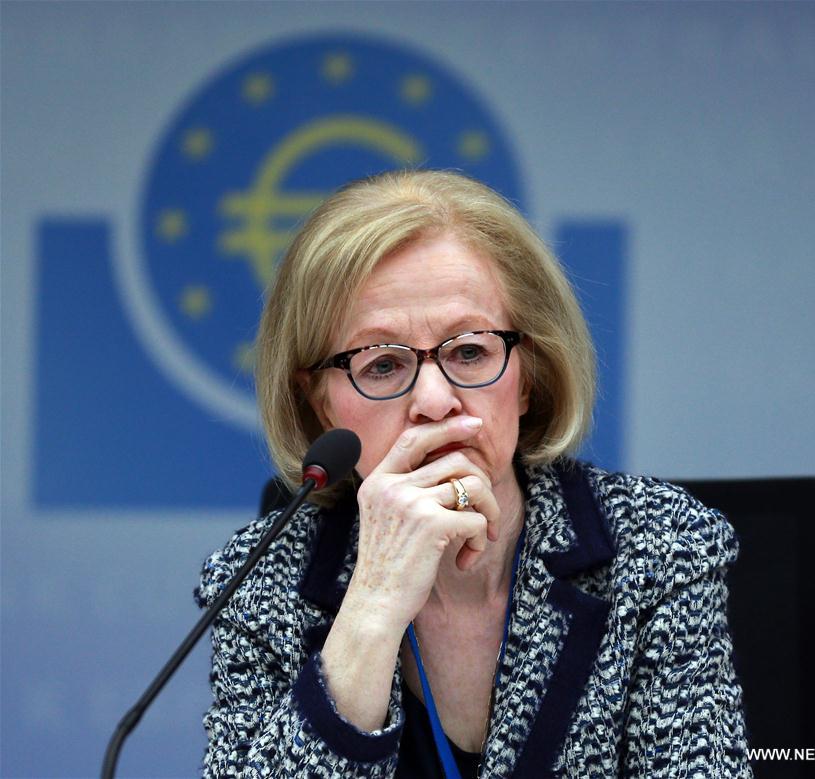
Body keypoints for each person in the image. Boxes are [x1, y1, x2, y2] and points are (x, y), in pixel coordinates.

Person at [196, 169, 752, 778]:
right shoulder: (259, 584)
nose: (434, 400)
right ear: (320, 402)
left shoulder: (658, 550)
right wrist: (371, 609)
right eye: (381, 365)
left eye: (468, 351)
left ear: (528, 375)